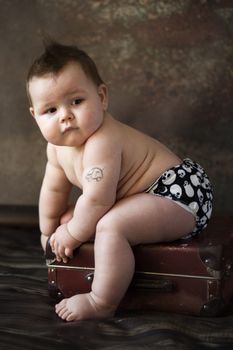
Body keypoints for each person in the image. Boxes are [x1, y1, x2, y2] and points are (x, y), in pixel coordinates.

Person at [26, 40, 213, 321]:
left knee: (110, 226)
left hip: (180, 194)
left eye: (76, 101)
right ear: (35, 116)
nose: (65, 116)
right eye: (50, 110)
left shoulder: (102, 141)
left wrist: (74, 234)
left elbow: (98, 200)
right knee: (73, 219)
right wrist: (49, 232)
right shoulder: (55, 148)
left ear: (101, 97)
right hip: (143, 196)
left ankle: (101, 301)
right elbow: (53, 189)